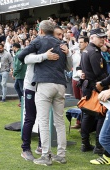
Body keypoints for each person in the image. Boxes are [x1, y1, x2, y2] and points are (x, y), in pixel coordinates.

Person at [18, 20, 71, 166]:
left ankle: (45, 154)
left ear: (41, 31)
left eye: (61, 34)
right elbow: (27, 58)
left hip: (44, 85)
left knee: (43, 120)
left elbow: (21, 56)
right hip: (47, 85)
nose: (60, 36)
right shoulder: (55, 44)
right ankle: (57, 154)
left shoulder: (41, 41)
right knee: (50, 121)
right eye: (58, 34)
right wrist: (45, 56)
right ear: (52, 31)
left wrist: (67, 53)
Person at [77, 28, 108, 155]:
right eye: (100, 37)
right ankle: (99, 146)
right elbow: (99, 73)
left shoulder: (87, 50)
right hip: (96, 88)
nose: (102, 39)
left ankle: (85, 144)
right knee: (101, 115)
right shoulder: (94, 52)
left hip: (88, 87)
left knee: (88, 115)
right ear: (92, 38)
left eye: (103, 37)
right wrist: (106, 83)